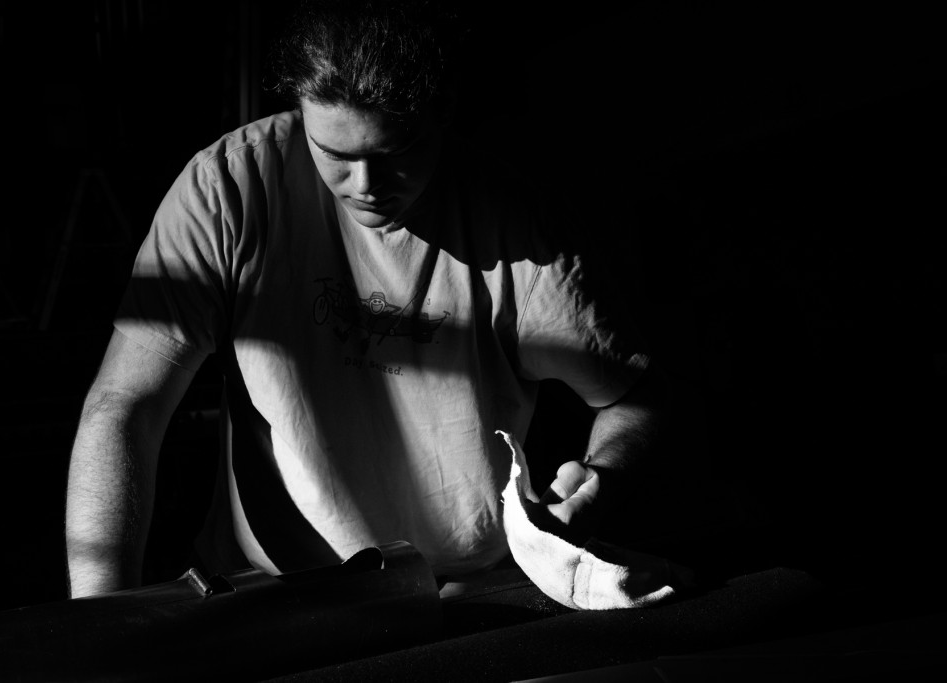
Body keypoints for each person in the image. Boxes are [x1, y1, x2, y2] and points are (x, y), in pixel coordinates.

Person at [65, 0, 665, 598]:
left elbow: (637, 399)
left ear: (444, 110)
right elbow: (125, 405)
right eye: (335, 156)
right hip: (261, 592)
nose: (365, 187)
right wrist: (100, 622)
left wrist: (602, 481)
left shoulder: (519, 224)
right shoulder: (228, 188)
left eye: (393, 154)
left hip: (454, 595)